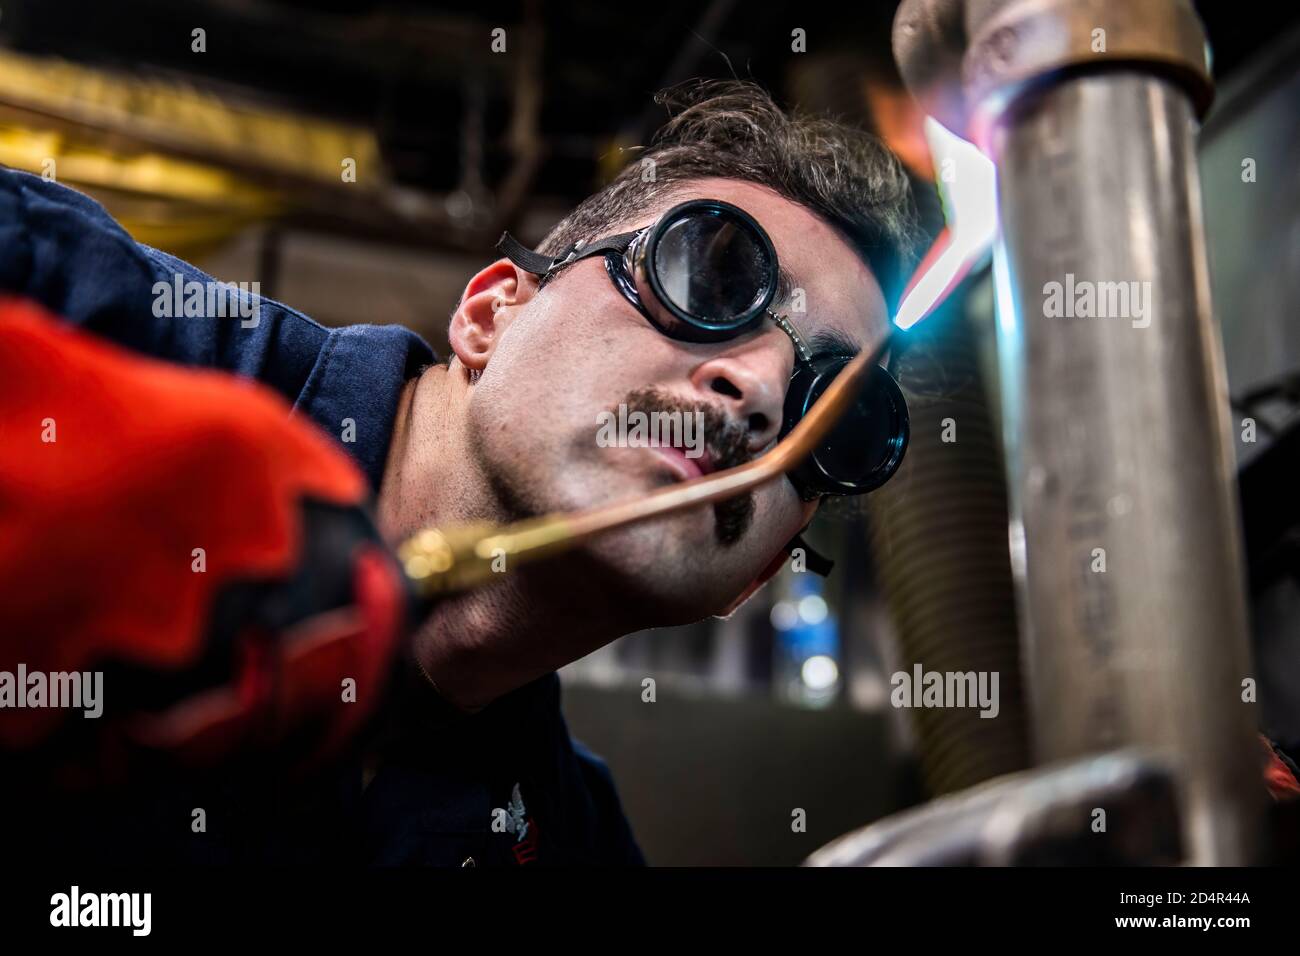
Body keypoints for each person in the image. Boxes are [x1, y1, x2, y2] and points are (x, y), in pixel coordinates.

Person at [0, 78, 920, 865]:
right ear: (492, 316)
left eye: (832, 410)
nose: (758, 390)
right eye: (712, 279)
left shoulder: (566, 842)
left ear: (758, 574)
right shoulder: (77, 303)